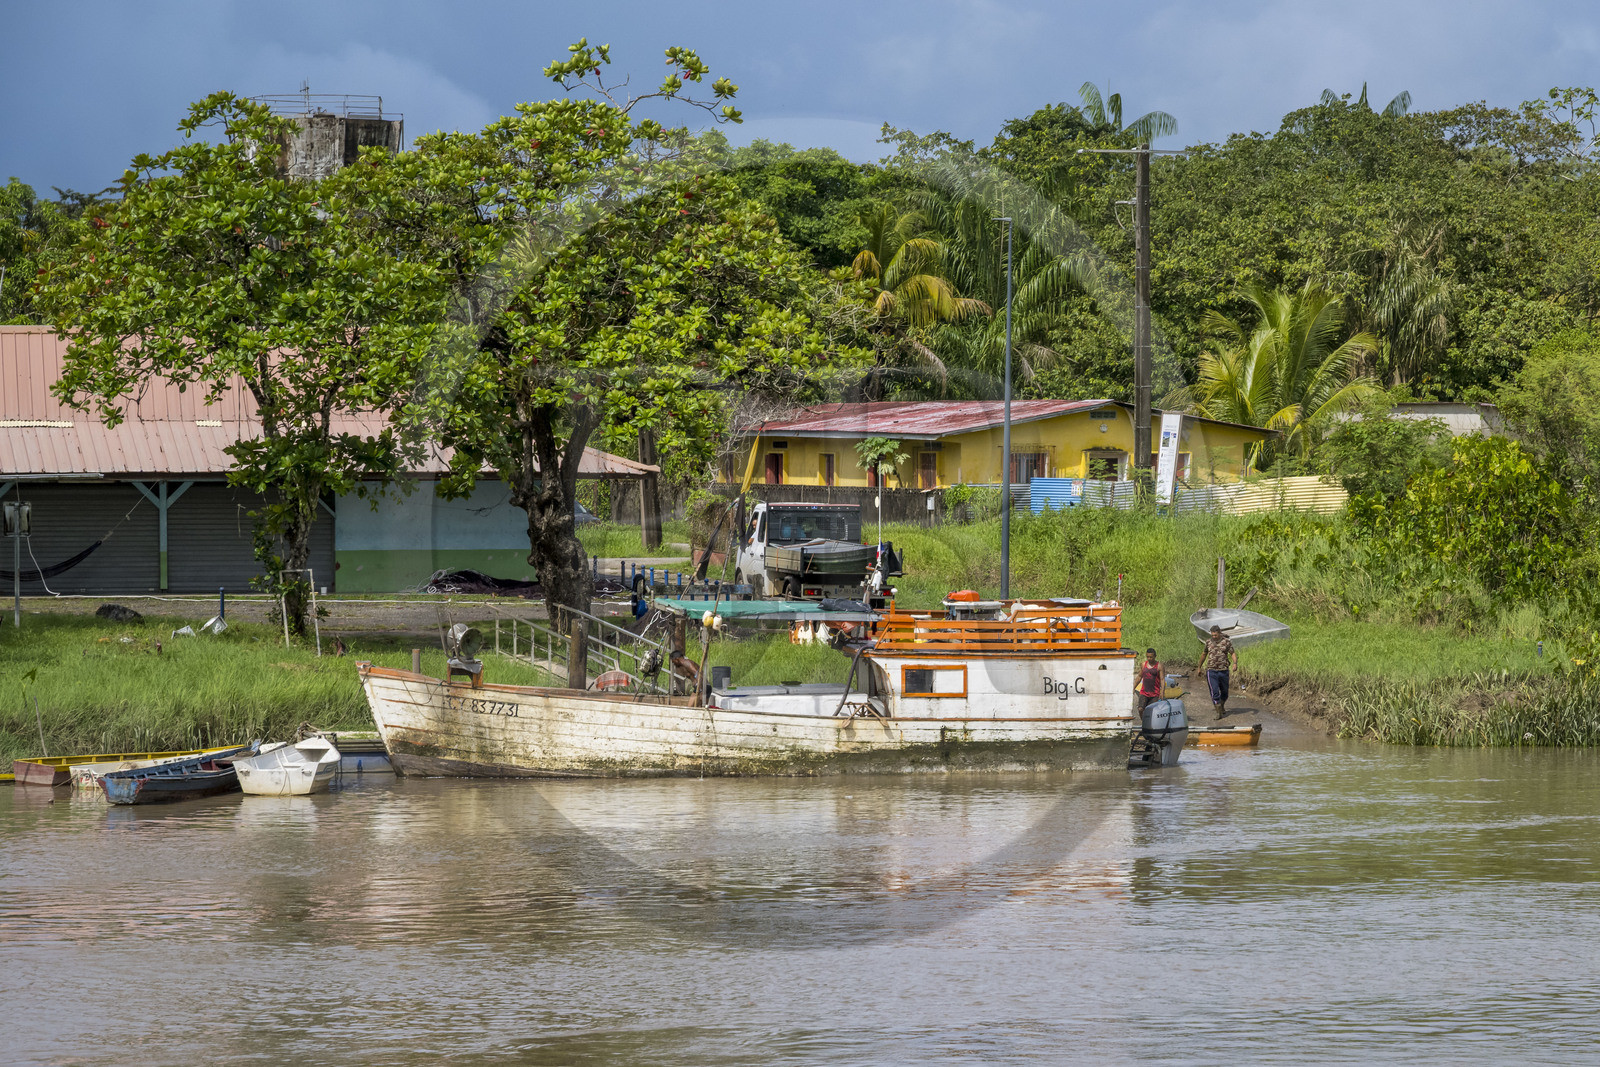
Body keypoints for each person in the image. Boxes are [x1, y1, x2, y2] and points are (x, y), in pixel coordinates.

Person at [1202, 624, 1239, 716]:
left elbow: (1232, 653)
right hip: (1211, 670)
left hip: (1223, 670)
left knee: (1225, 692)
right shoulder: (1208, 642)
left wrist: (1235, 663)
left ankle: (1221, 705)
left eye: (1215, 635)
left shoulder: (1226, 642)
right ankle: (1218, 712)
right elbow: (1204, 654)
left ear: (1219, 633)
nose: (1214, 637)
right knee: (1214, 691)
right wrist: (1199, 666)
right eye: (1212, 635)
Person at [1134, 647, 1164, 712]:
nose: (1149, 659)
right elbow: (1139, 676)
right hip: (1144, 692)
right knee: (1140, 709)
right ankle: (1144, 722)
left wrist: (1162, 692)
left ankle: (1150, 722)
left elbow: (1162, 679)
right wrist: (1133, 688)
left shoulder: (1159, 666)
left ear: (1155, 656)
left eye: (1151, 657)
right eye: (1147, 657)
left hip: (1155, 693)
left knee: (1150, 710)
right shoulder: (1143, 665)